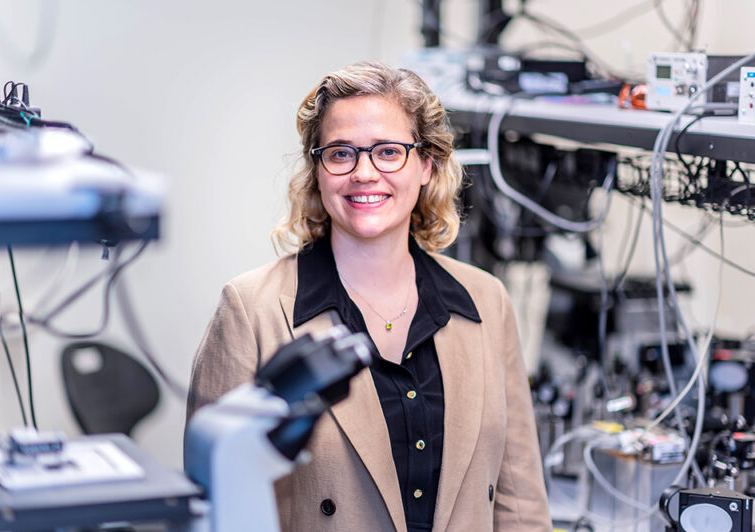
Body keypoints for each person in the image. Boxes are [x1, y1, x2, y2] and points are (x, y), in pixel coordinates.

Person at [186, 61, 551, 532]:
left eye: (387, 152)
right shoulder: (251, 309)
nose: (364, 172)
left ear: (426, 164)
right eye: (341, 153)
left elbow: (519, 503)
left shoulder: (487, 300)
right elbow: (219, 499)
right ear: (317, 170)